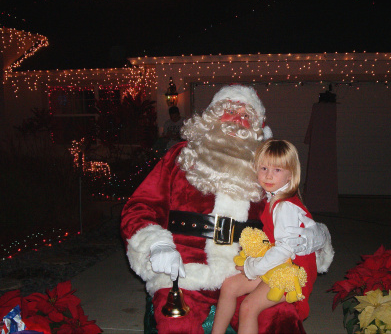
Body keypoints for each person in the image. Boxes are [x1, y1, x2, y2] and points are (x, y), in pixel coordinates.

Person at [120, 85, 333, 333]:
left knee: (281, 320)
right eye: (230, 111)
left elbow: (295, 211)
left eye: (246, 116)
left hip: (248, 271)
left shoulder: (266, 166)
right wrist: (156, 244)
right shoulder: (181, 155)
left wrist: (314, 237)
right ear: (212, 116)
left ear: (257, 127)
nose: (238, 120)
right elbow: (140, 206)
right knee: (177, 326)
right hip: (186, 270)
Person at [211, 139, 320, 334]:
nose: (268, 175)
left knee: (249, 307)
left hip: (292, 273)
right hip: (277, 264)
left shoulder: (285, 206)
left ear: (291, 175)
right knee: (229, 285)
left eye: (277, 170)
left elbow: (284, 250)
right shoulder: (273, 198)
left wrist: (251, 267)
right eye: (263, 168)